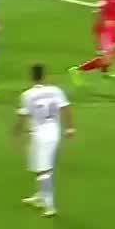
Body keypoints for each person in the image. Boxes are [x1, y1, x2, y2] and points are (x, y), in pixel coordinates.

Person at [16, 64, 75, 217]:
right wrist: (70, 128)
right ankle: (40, 195)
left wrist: (16, 134)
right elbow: (66, 108)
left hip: (40, 135)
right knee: (38, 165)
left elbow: (22, 117)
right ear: (45, 76)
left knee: (43, 170)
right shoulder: (56, 90)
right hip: (53, 132)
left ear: (31, 77)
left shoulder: (27, 95)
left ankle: (49, 206)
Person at [69, 0, 115, 84]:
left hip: (114, 28)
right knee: (105, 58)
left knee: (112, 53)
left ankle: (105, 72)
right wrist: (99, 30)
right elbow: (98, 11)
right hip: (106, 30)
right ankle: (77, 70)